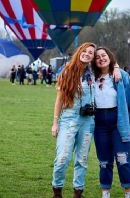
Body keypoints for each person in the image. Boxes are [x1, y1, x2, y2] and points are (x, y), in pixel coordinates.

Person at [51, 42, 121, 198]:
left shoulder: (93, 72)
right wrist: (55, 123)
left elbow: (107, 62)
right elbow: (59, 100)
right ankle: (57, 191)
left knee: (82, 159)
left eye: (91, 53)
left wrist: (116, 67)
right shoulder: (67, 71)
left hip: (88, 121)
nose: (88, 54)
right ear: (80, 51)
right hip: (68, 118)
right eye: (86, 51)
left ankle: (78, 192)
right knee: (62, 157)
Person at [92, 47, 130, 198]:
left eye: (104, 55)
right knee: (104, 160)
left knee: (122, 158)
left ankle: (128, 192)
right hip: (100, 124)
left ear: (109, 57)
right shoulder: (91, 77)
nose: (101, 58)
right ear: (94, 62)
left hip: (119, 121)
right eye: (97, 57)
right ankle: (105, 192)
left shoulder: (121, 75)